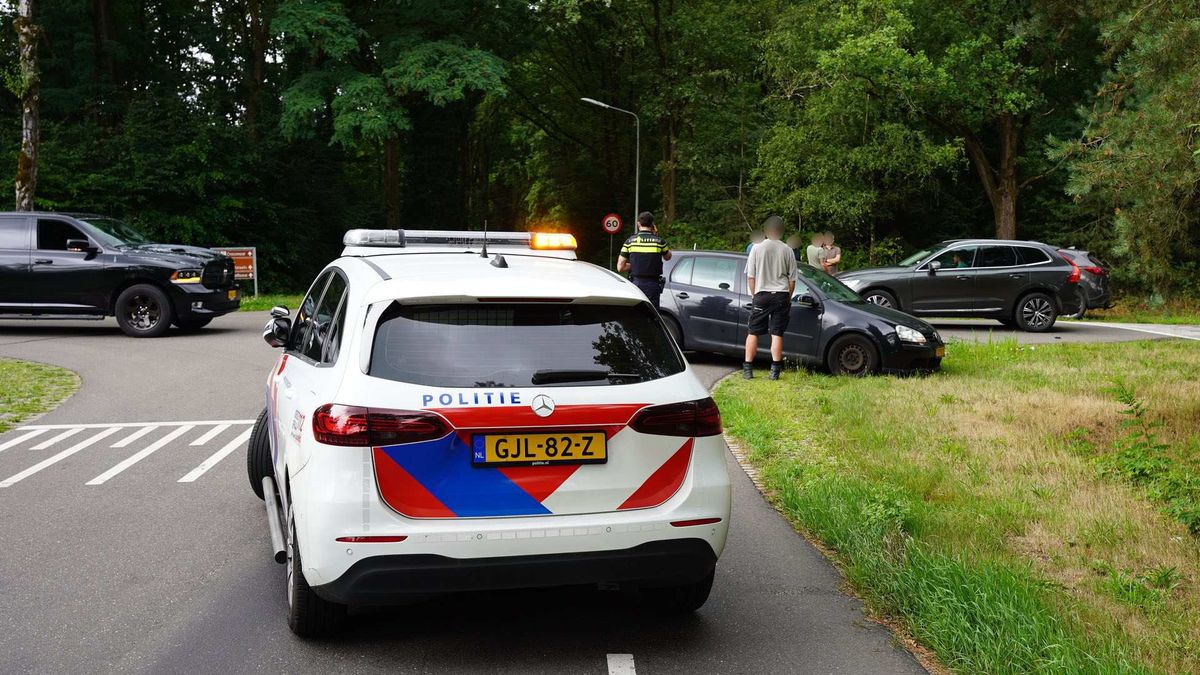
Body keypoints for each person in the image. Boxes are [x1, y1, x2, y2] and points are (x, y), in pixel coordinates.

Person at [744, 215, 797, 381]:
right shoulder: (788, 250)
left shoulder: (756, 248)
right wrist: (787, 297)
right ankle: (774, 371)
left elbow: (751, 277)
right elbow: (792, 279)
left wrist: (755, 295)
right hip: (781, 295)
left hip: (761, 294)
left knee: (753, 332)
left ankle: (748, 370)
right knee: (777, 334)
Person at [617, 211, 672, 308]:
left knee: (637, 314)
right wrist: (656, 235)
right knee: (652, 316)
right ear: (652, 224)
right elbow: (668, 257)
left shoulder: (629, 242)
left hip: (636, 284)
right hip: (653, 285)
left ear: (638, 224)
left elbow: (620, 267)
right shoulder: (659, 241)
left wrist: (634, 265)